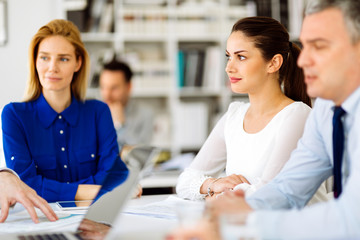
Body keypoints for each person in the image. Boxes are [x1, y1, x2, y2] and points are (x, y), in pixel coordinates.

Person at [170, 0, 360, 239]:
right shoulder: (325, 110)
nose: (302, 61)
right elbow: (287, 189)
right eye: (306, 46)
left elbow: (353, 217)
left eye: (319, 46)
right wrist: (233, 210)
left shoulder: (298, 114)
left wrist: (244, 221)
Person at [176, 16, 329, 203]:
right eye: (228, 57)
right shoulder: (234, 115)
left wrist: (221, 195)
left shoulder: (296, 115)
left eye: (241, 57)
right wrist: (213, 185)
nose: (229, 68)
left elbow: (269, 194)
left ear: (273, 63)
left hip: (301, 229)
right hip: (252, 227)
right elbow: (184, 181)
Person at [1, 19, 128, 202]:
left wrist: (51, 189)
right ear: (35, 61)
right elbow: (25, 184)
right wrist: (93, 190)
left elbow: (114, 175)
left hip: (94, 217)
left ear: (78, 63)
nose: (52, 68)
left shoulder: (98, 112)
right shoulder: (14, 115)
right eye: (44, 57)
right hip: (39, 221)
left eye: (63, 59)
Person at [99, 59, 154, 151]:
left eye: (114, 88)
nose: (107, 94)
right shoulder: (92, 112)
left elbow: (141, 153)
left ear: (128, 87)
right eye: (103, 87)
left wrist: (121, 126)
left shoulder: (146, 113)